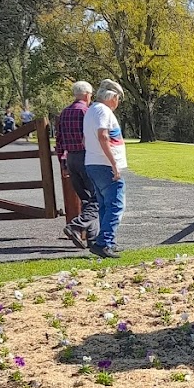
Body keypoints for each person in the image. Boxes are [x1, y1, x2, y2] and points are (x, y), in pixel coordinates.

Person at [83, 79, 127, 259]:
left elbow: (86, 140)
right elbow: (103, 136)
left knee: (104, 205)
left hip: (93, 162)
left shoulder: (91, 110)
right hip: (105, 165)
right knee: (116, 204)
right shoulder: (103, 111)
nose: (117, 103)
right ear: (113, 97)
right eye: (118, 99)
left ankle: (108, 241)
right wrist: (114, 163)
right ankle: (104, 242)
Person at [55, 81, 98, 251]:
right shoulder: (86, 112)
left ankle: (93, 240)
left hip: (71, 159)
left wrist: (63, 163)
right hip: (86, 157)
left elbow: (59, 141)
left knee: (87, 199)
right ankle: (76, 225)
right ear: (87, 94)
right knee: (97, 198)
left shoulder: (64, 113)